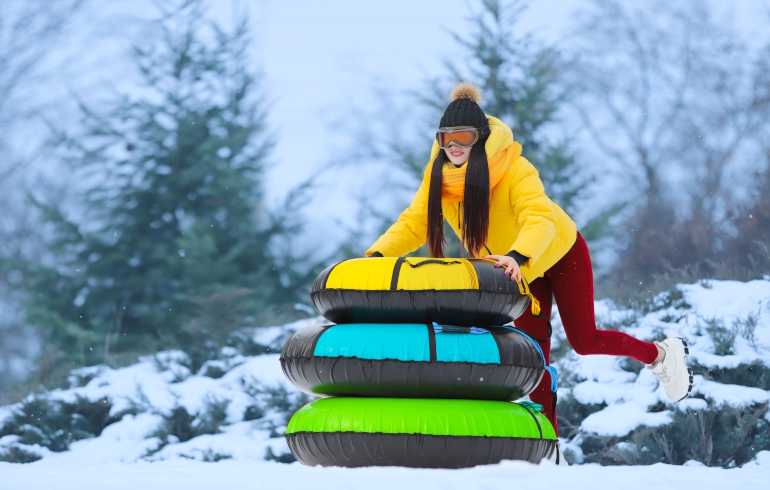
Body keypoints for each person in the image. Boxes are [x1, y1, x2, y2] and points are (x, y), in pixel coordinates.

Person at [365, 82, 692, 436]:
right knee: (534, 359)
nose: (454, 147)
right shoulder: (439, 180)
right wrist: (379, 255)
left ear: (480, 137)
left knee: (584, 341)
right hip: (516, 271)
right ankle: (547, 445)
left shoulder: (514, 168)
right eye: (446, 139)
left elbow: (539, 217)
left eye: (463, 137)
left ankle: (661, 355)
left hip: (557, 253)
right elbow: (414, 223)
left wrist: (518, 256)